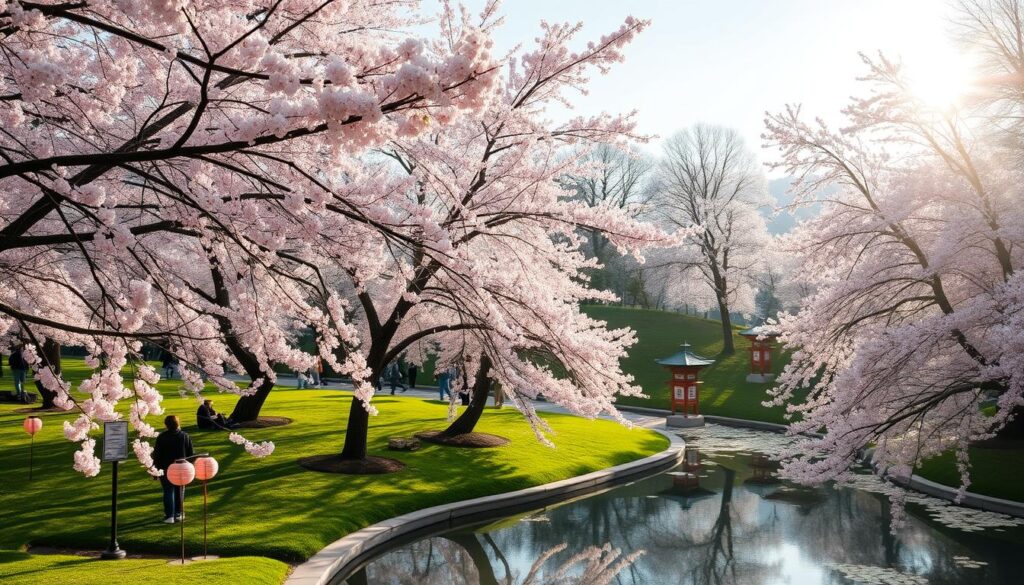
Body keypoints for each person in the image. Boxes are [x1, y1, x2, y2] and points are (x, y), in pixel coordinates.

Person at [152, 415, 194, 524]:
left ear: (166, 425)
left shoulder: (162, 437)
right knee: (179, 490)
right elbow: (190, 454)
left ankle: (170, 515)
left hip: (166, 468)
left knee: (168, 491)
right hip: (181, 467)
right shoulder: (185, 436)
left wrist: (155, 470)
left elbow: (157, 455)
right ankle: (178, 513)